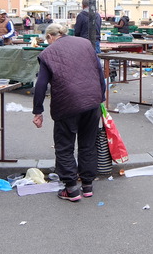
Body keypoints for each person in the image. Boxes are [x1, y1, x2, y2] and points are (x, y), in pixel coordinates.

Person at [32, 23, 106, 202]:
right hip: (91, 101)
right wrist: (101, 98)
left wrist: (37, 111)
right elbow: (99, 72)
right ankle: (87, 185)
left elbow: (41, 85)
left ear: (50, 37)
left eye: (46, 40)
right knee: (88, 144)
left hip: (67, 104)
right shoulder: (85, 43)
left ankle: (71, 188)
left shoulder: (47, 54)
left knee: (64, 146)